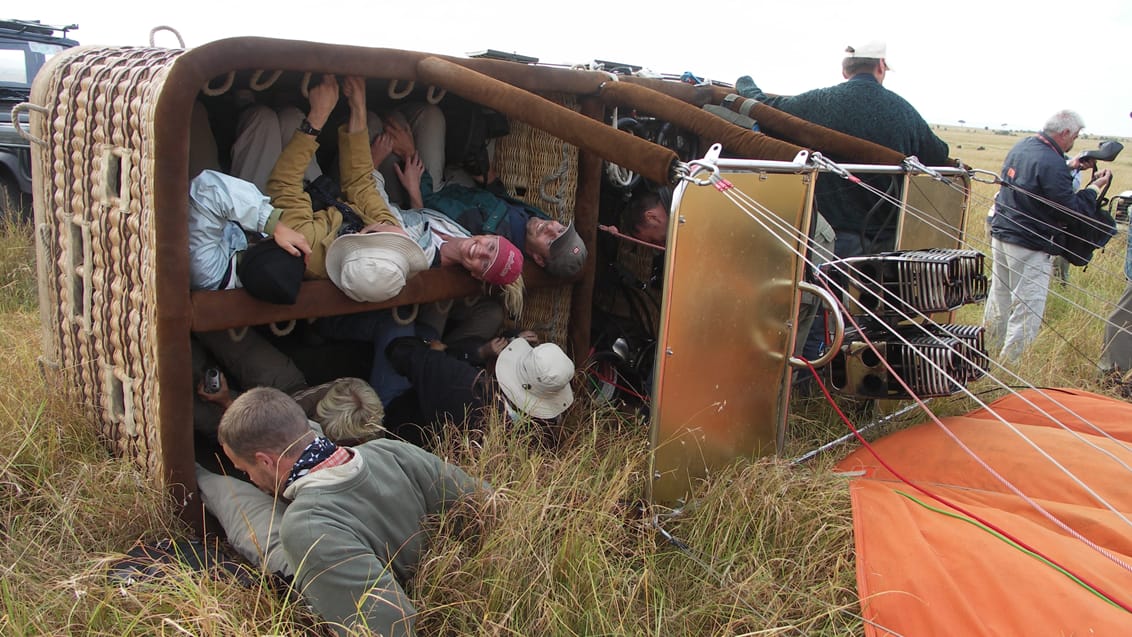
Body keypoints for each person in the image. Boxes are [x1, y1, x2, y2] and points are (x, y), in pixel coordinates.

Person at [209, 387, 487, 636]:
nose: (253, 481)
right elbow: (486, 502)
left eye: (246, 471)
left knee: (229, 501)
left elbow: (386, 626)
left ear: (265, 461)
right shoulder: (393, 451)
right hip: (473, 599)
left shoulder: (305, 526)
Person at [735, 40, 950, 257]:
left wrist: (744, 82)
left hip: (825, 240)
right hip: (889, 247)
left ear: (845, 70)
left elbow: (765, 111)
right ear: (881, 66)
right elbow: (939, 155)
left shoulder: (816, 102)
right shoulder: (904, 111)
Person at [983, 110, 1112, 362]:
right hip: (1031, 243)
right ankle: (1013, 365)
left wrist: (1069, 165)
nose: (1075, 140)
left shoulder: (1024, 147)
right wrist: (1094, 189)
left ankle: (986, 351)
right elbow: (1070, 211)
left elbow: (1036, 178)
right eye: (1074, 135)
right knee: (1027, 306)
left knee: (999, 298)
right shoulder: (1051, 162)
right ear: (1064, 133)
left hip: (1003, 235)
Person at [384, 333, 575, 446]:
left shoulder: (459, 379)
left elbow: (398, 350)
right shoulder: (540, 437)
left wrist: (441, 351)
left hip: (395, 433)